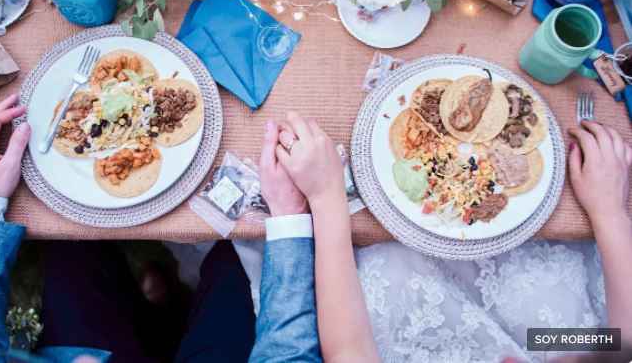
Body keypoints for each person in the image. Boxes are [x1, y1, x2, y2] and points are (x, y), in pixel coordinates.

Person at [0, 94, 321, 363]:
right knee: (232, 262)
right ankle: (169, 309)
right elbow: (289, 352)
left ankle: (158, 301)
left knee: (72, 246)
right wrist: (287, 218)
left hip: (88, 344)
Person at [246, 112, 632, 363]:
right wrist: (609, 211)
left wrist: (326, 194)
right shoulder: (571, 348)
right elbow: (621, 345)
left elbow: (348, 352)